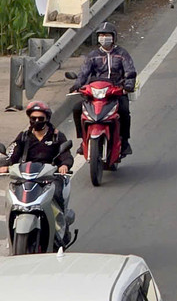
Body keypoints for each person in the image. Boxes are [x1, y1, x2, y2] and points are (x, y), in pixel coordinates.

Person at [1, 101, 74, 236]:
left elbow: (66, 155)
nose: (37, 121)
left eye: (40, 119)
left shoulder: (56, 136)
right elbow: (12, 153)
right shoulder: (23, 136)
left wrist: (64, 165)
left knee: (57, 193)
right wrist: (5, 165)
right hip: (27, 177)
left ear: (47, 119)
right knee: (12, 196)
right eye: (33, 118)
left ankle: (60, 227)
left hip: (50, 177)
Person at [70, 21, 138, 159]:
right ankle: (83, 139)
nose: (104, 37)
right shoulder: (93, 55)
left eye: (107, 35)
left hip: (116, 92)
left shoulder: (122, 54)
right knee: (77, 109)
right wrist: (77, 85)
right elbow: (84, 73)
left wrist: (128, 85)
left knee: (124, 110)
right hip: (95, 92)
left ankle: (124, 142)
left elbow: (130, 71)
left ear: (113, 37)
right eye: (101, 35)